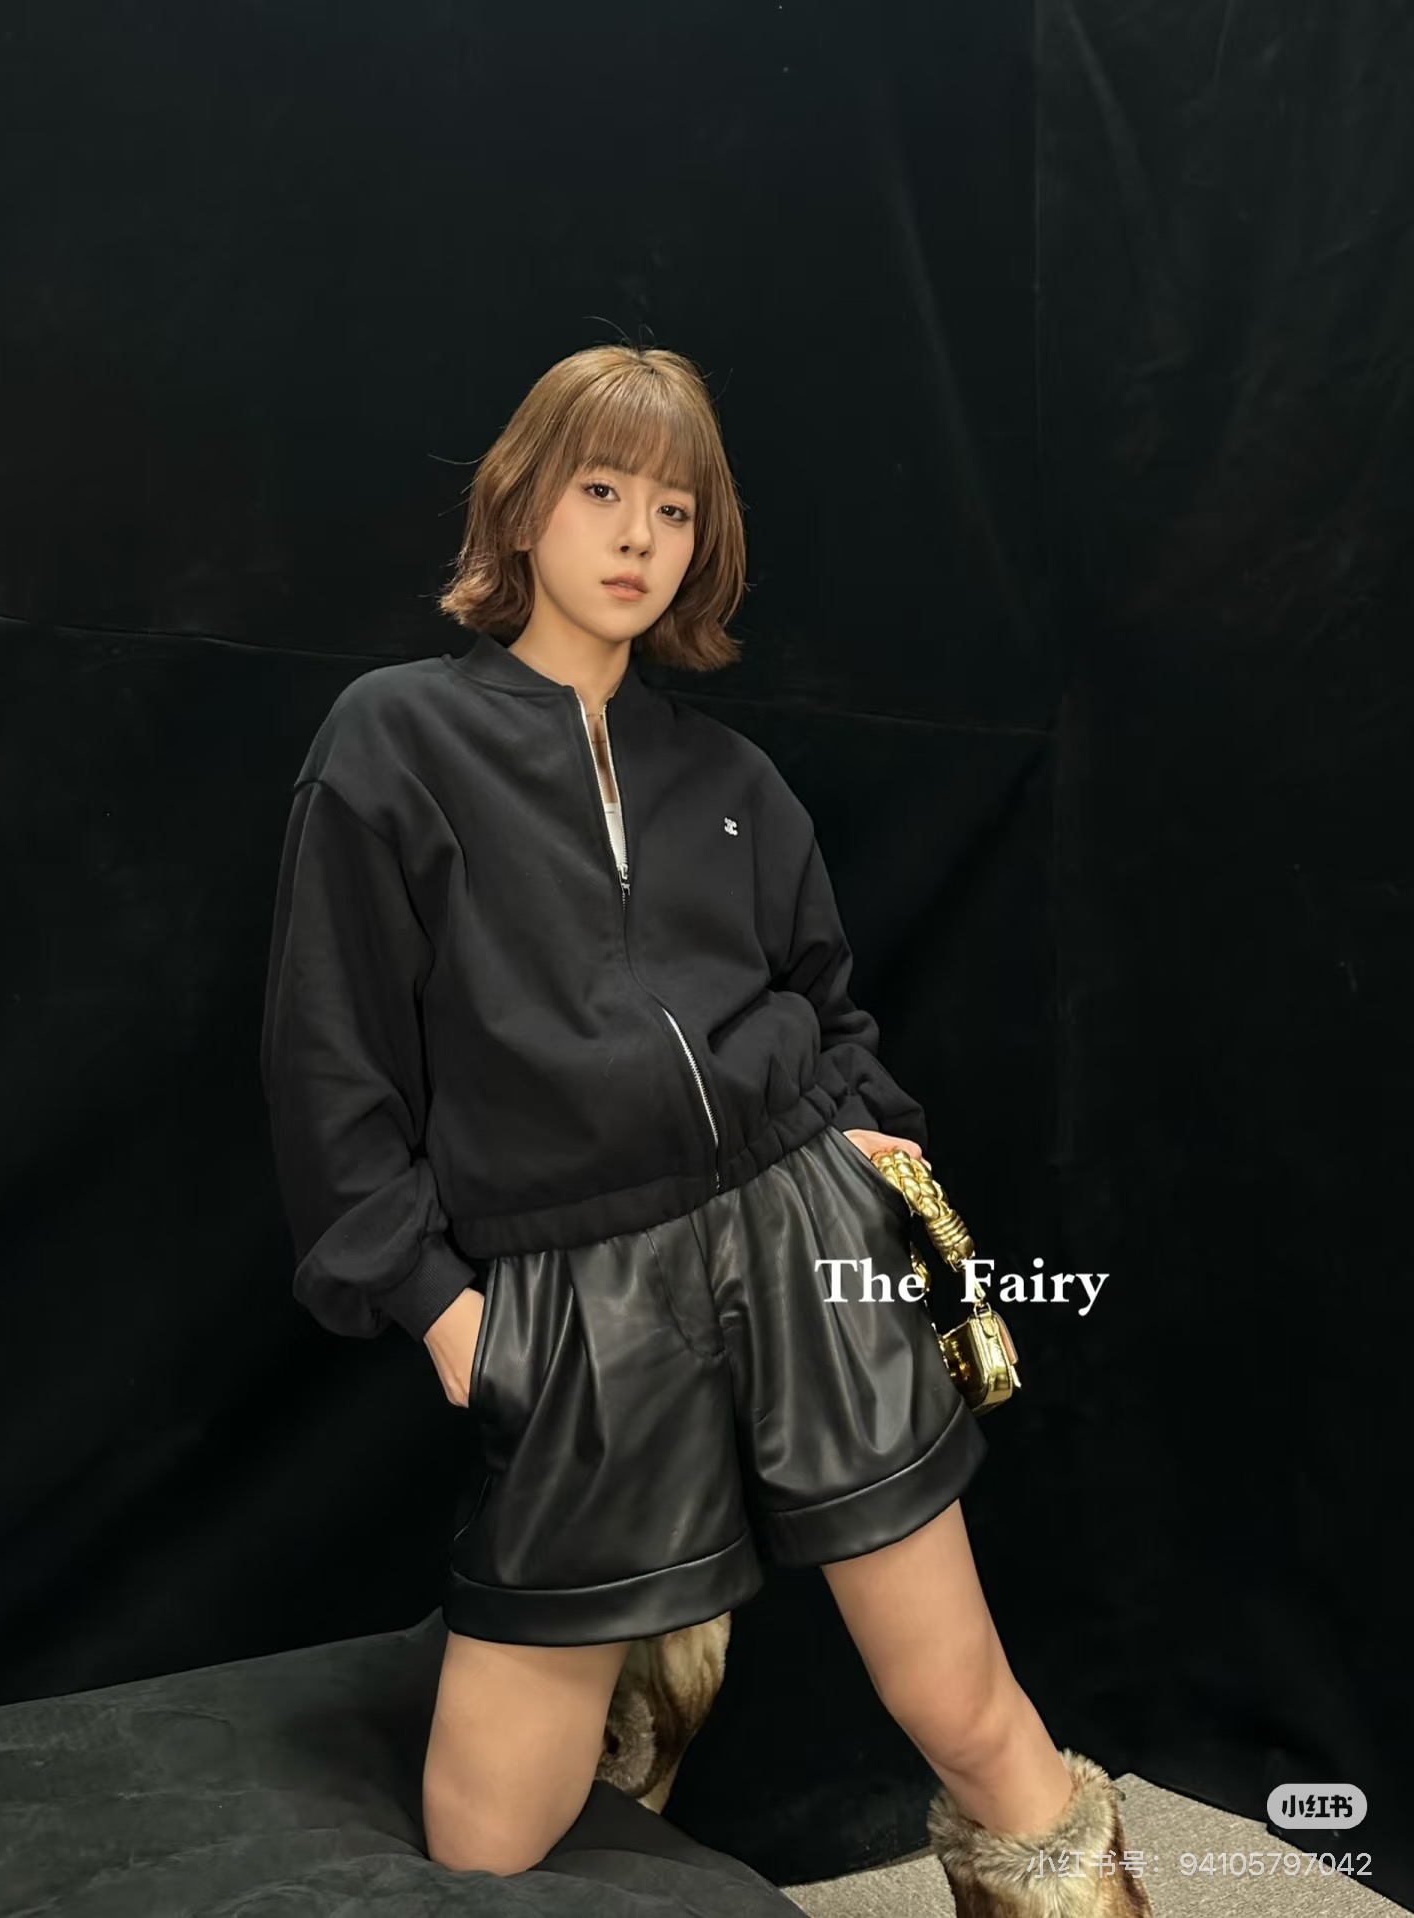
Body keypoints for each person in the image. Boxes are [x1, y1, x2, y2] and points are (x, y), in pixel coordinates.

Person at [259, 344, 1152, 1914]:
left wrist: (876, 1146)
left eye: (673, 508)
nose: (637, 535)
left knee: (969, 1711)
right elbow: (328, 1061)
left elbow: (826, 1003)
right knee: (482, 1837)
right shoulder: (395, 740)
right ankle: (659, 1635)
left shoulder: (729, 775)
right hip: (582, 1292)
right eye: (601, 489)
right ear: (521, 506)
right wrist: (441, 1304)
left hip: (803, 1232)